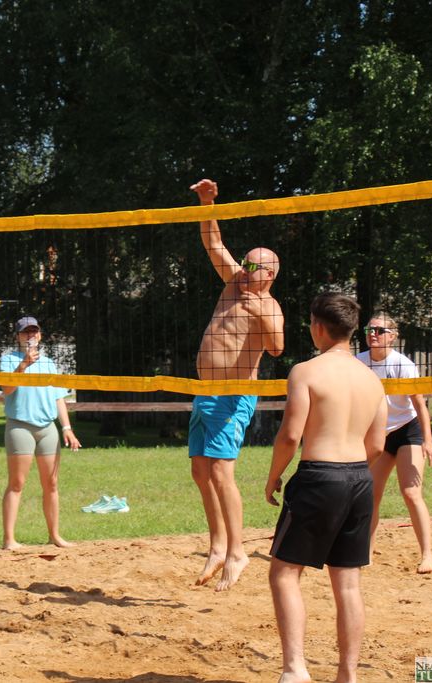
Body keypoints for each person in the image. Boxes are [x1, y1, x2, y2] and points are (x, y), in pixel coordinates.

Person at [265, 293, 387, 683]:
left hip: (319, 476)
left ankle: (295, 669)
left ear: (318, 327)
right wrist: (352, 475)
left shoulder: (305, 372)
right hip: (360, 478)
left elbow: (290, 435)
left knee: (284, 573)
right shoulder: (372, 380)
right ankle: (347, 675)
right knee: (348, 584)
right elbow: (378, 445)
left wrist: (273, 476)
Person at [189, 178, 285, 591]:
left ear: (270, 273)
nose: (246, 268)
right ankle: (217, 545)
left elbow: (278, 347)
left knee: (221, 471)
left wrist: (259, 311)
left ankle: (237, 551)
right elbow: (214, 244)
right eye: (245, 262)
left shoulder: (270, 306)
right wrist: (207, 203)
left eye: (254, 265)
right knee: (200, 471)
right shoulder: (233, 282)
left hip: (233, 395)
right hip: (205, 392)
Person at [356, 312, 432, 574]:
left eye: (380, 331)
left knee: (411, 493)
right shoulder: (359, 362)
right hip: (379, 433)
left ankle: (427, 555)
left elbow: (420, 405)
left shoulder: (402, 364)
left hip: (407, 430)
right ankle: (366, 553)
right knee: (370, 495)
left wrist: (428, 441)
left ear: (392, 336)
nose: (373, 334)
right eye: (370, 330)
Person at [0, 316, 81, 550]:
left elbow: (58, 397)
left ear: (40, 335)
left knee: (51, 484)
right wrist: (23, 365)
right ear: (18, 336)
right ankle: (9, 539)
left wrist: (67, 428)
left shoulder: (49, 364)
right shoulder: (8, 360)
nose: (30, 335)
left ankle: (54, 536)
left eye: (34, 331)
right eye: (25, 332)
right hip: (20, 426)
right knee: (17, 483)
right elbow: (7, 389)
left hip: (47, 428)